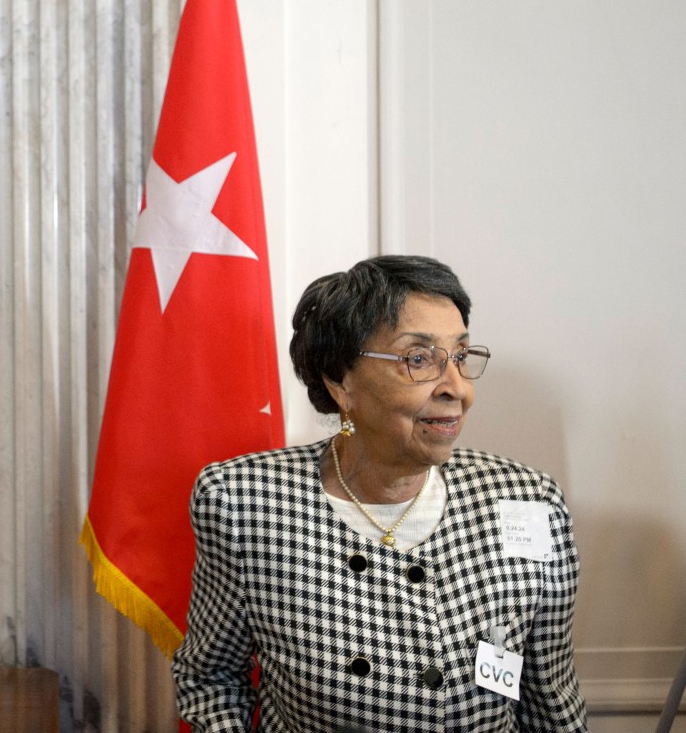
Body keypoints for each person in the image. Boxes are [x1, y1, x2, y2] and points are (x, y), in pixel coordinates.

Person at [172, 255, 588, 732]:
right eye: (419, 359)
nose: (458, 389)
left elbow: (549, 695)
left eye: (460, 356)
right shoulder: (245, 504)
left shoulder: (528, 503)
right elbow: (210, 679)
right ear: (340, 380)